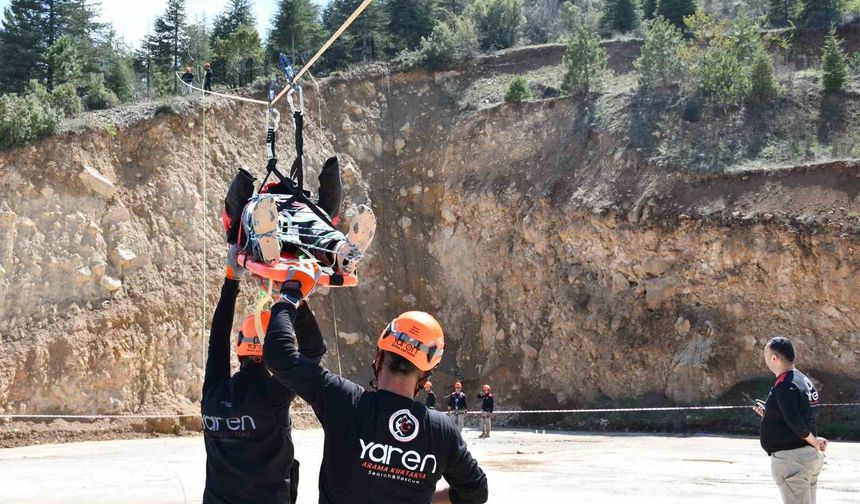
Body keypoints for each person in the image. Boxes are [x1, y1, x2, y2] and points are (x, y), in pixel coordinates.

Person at [262, 267, 489, 504]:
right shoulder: (440, 430)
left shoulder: (345, 401)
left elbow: (281, 355)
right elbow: (476, 493)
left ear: (379, 356)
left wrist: (289, 295)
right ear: (424, 375)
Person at [753, 336, 827, 504]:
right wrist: (769, 412)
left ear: (774, 358)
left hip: (794, 460)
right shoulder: (802, 380)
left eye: (766, 356)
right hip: (806, 457)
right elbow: (804, 414)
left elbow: (795, 421)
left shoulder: (785, 385)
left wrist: (814, 441)